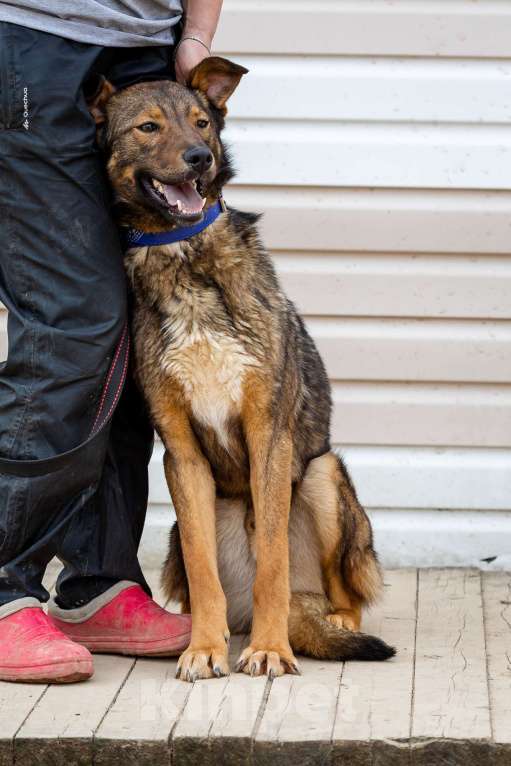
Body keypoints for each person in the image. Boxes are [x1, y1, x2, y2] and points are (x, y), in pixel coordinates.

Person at [0, 0, 223, 684]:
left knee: (137, 312)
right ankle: (6, 588)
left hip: (145, 48)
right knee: (72, 318)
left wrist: (195, 34)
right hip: (33, 40)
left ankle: (97, 583)